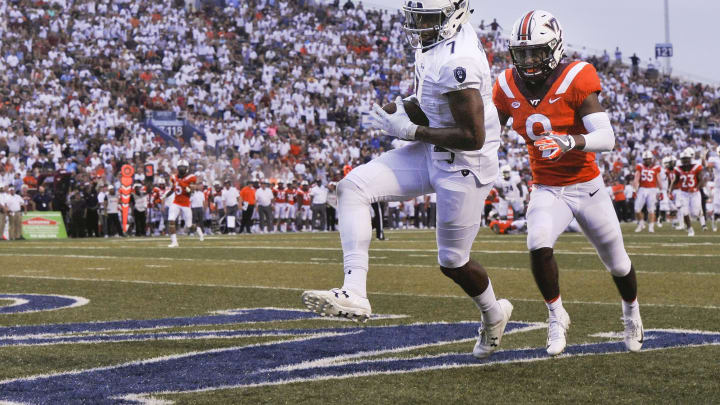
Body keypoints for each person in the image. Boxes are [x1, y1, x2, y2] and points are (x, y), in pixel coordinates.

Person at [302, 0, 513, 360]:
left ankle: (494, 314)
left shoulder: (458, 61)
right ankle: (354, 290)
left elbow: (471, 136)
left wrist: (411, 129)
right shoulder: (436, 45)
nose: (417, 24)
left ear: (453, 15)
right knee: (352, 188)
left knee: (452, 261)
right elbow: (430, 100)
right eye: (415, 15)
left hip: (464, 163)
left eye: (427, 17)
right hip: (435, 148)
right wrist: (399, 111)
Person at [492, 10, 643, 355]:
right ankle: (556, 315)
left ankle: (631, 311)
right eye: (523, 52)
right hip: (547, 188)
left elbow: (607, 136)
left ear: (555, 47)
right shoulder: (504, 85)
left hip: (587, 186)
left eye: (536, 52)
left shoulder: (576, 77)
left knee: (618, 263)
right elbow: (487, 133)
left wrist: (571, 141)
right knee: (537, 242)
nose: (529, 60)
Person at [671, 148, 706, 236]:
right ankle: (690, 229)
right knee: (685, 211)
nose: (686, 160)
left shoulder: (696, 166)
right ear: (681, 160)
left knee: (695, 213)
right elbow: (675, 181)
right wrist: (670, 190)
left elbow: (701, 180)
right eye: (684, 159)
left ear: (690, 158)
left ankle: (701, 218)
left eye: (687, 158)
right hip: (683, 193)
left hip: (694, 193)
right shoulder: (678, 169)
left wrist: (696, 188)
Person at [167, 159, 202, 247]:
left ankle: (198, 229)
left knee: (189, 226)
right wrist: (164, 196)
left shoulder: (191, 177)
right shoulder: (174, 177)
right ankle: (174, 242)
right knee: (171, 220)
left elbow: (191, 192)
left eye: (183, 167)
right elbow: (172, 189)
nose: (181, 169)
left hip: (185, 204)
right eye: (180, 167)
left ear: (187, 168)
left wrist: (184, 185)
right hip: (176, 202)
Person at [632, 151, 662, 232]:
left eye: (648, 159)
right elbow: (636, 178)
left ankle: (651, 227)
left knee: (651, 209)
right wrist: (634, 190)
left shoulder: (656, 168)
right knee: (637, 209)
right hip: (642, 189)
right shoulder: (640, 166)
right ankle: (641, 224)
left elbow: (659, 180)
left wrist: (661, 191)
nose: (647, 161)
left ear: (651, 159)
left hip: (652, 189)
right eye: (645, 159)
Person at [703, 146, 720, 231]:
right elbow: (708, 166)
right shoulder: (716, 160)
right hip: (718, 188)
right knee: (717, 208)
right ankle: (714, 223)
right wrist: (704, 158)